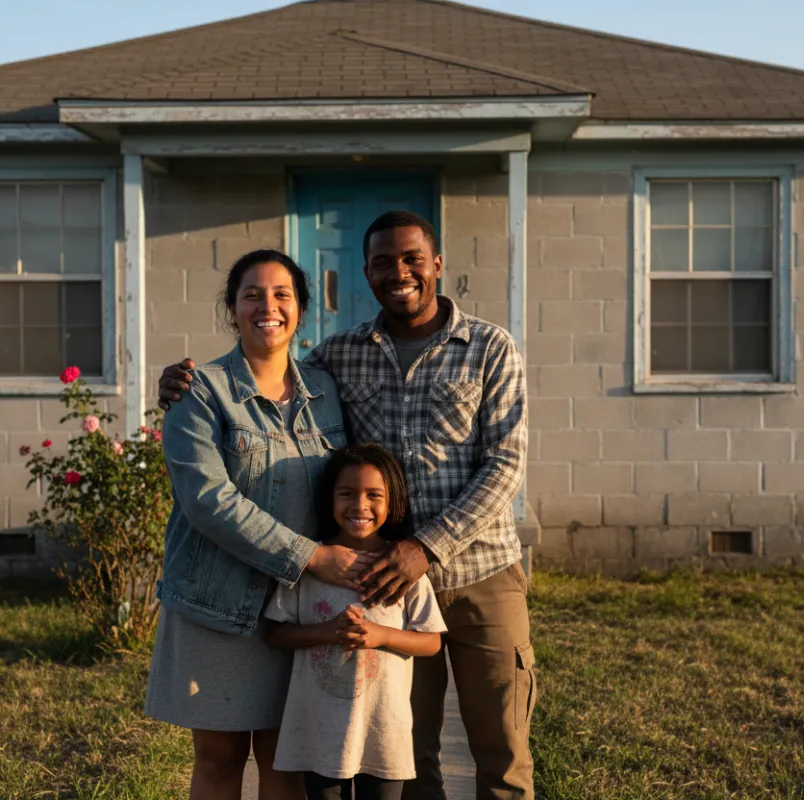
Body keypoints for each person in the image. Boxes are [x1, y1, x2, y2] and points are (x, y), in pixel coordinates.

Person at [158, 211, 537, 799]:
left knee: (502, 752)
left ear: (438, 264)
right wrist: (179, 383)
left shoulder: (488, 347)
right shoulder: (338, 360)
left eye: (413, 258)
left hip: (476, 572)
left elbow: (506, 466)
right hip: (368, 584)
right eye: (383, 262)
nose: (400, 272)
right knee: (404, 754)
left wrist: (423, 548)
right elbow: (215, 478)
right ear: (365, 273)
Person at [148, 249, 379, 800]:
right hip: (217, 605)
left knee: (285, 758)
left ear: (300, 310)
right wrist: (313, 556)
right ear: (232, 309)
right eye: (252, 294)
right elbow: (207, 500)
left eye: (282, 295)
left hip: (300, 610)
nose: (267, 306)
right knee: (222, 757)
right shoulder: (199, 392)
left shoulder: (327, 393)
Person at [265, 443, 447, 800]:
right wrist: (328, 632)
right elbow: (275, 633)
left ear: (392, 501)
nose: (360, 506)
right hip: (319, 732)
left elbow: (431, 641)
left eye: (374, 495)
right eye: (347, 493)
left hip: (383, 731)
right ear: (329, 498)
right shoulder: (311, 566)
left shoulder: (401, 570)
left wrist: (380, 635)